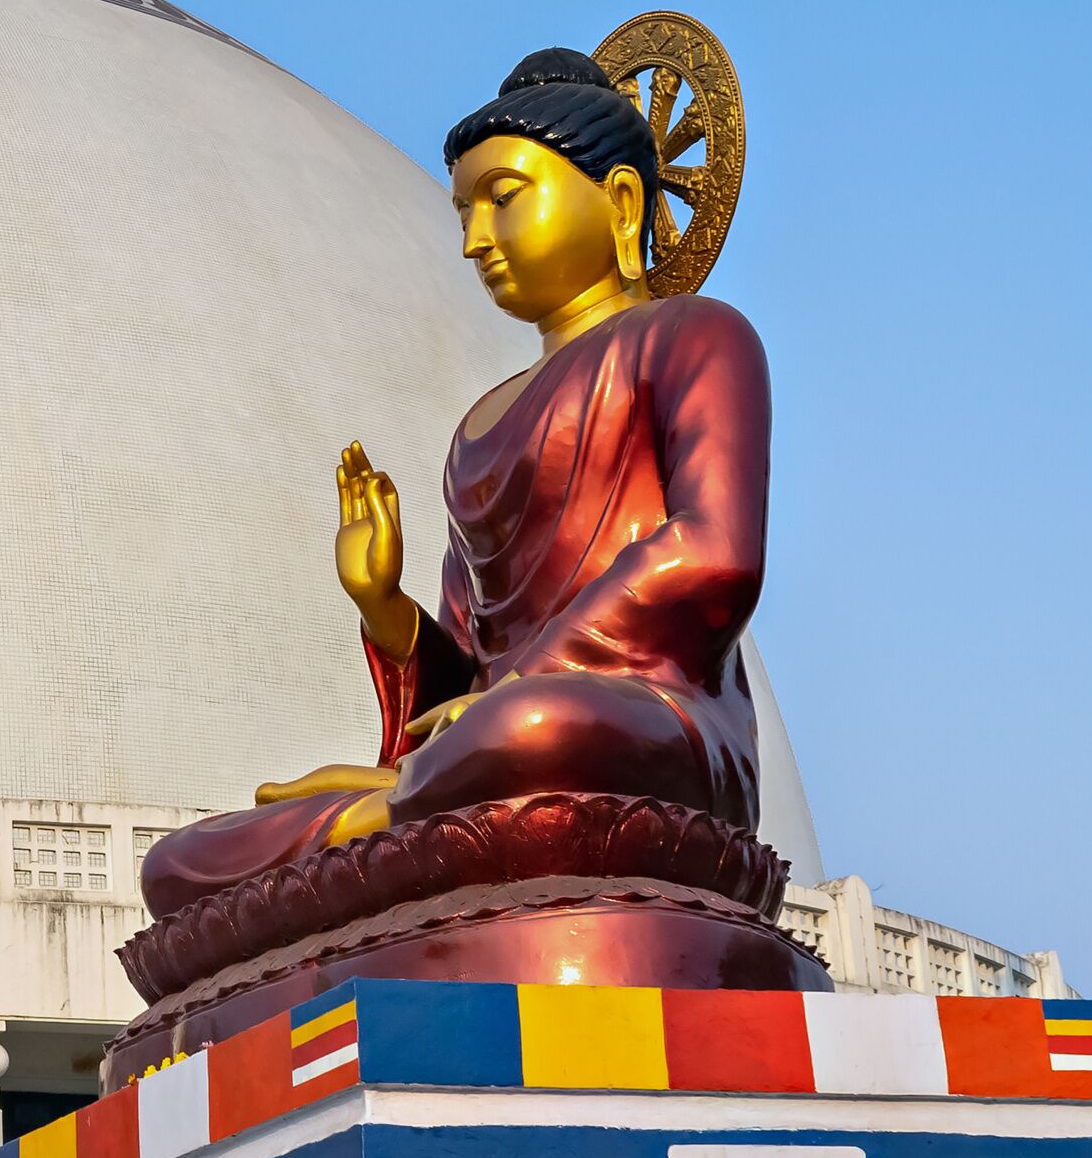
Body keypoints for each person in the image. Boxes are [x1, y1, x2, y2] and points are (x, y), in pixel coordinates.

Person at [140, 47, 771, 921]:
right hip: (490, 752)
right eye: (465, 212)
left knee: (537, 726)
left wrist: (521, 690)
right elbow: (468, 675)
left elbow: (716, 551)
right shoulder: (479, 426)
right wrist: (385, 606)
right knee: (180, 865)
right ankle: (401, 816)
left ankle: (392, 820)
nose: (476, 241)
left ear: (622, 202)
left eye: (503, 200)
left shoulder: (694, 339)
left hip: (643, 722)